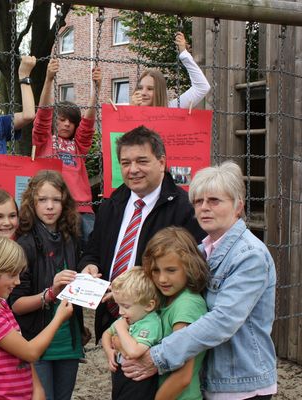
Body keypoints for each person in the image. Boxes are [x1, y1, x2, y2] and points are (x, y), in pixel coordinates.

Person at [122, 161, 278, 399]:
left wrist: (157, 356)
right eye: (198, 201)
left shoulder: (250, 255)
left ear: (238, 207)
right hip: (211, 379)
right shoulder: (201, 251)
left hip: (241, 385)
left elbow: (222, 321)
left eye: (214, 200)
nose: (204, 207)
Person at [79, 125, 205, 343]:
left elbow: (192, 273)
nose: (133, 169)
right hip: (114, 318)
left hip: (159, 325)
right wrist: (89, 266)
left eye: (142, 161)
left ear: (162, 162)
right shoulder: (112, 204)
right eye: (126, 163)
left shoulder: (185, 210)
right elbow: (94, 250)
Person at [0, 235, 74, 400]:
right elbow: (30, 352)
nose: (17, 281)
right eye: (12, 275)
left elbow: (20, 349)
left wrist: (37, 389)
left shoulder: (0, 303)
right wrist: (58, 319)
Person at [9, 169, 88, 400]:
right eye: (42, 200)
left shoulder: (71, 237)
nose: (50, 206)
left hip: (69, 341)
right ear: (32, 203)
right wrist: (51, 293)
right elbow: (16, 305)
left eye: (56, 200)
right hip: (37, 342)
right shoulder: (24, 244)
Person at [33, 58, 102, 245]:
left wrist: (96, 89)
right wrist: (48, 79)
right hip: (53, 207)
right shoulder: (44, 141)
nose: (66, 124)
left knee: (91, 252)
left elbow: (87, 125)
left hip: (82, 209)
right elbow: (43, 116)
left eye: (71, 121)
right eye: (62, 119)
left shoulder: (78, 145)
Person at [142, 227, 209, 400]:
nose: (162, 279)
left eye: (171, 270)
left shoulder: (187, 305)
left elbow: (183, 376)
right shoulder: (166, 298)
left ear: (189, 267)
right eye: (156, 270)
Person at [101, 267, 162, 400]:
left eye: (126, 306)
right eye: (119, 306)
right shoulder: (130, 318)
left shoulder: (150, 324)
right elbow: (106, 334)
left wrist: (121, 329)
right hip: (122, 374)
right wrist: (109, 351)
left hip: (139, 381)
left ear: (149, 305)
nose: (120, 312)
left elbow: (135, 352)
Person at [131, 32, 210, 109]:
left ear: (160, 92)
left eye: (150, 89)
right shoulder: (125, 110)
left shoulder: (171, 108)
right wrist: (131, 108)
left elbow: (202, 87)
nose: (143, 93)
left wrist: (184, 54)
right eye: (140, 88)